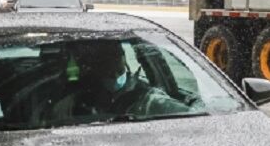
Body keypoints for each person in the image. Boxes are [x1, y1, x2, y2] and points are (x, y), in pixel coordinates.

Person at [48, 39, 190, 122]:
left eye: (115, 57)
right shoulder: (69, 107)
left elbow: (186, 114)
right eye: (103, 62)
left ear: (123, 57)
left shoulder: (150, 101)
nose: (113, 70)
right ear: (88, 67)